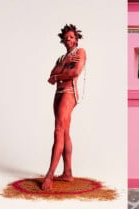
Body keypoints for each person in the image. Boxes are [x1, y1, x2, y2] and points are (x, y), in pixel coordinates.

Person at [42, 24, 86, 190]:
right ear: (63, 40)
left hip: (69, 92)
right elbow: (50, 76)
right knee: (65, 131)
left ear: (76, 39)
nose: (69, 40)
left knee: (59, 130)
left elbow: (74, 73)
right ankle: (67, 173)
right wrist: (64, 65)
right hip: (59, 93)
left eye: (72, 37)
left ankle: (49, 175)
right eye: (66, 38)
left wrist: (57, 76)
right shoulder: (62, 58)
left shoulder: (80, 52)